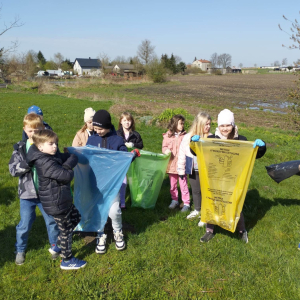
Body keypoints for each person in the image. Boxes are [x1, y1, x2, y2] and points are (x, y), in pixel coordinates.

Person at [191, 109, 266, 243]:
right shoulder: (211, 139)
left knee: (235, 205)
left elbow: (255, 154)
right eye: (222, 125)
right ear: (218, 126)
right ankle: (209, 231)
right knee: (213, 203)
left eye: (228, 125)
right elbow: (197, 152)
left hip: (233, 180)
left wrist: (261, 147)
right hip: (215, 179)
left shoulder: (241, 140)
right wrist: (194, 143)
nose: (225, 129)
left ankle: (242, 230)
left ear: (233, 125)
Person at [27, 129, 87, 270]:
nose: (55, 146)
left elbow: (70, 156)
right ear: (40, 147)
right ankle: (67, 260)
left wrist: (69, 159)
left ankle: (58, 245)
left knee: (76, 218)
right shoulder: (44, 161)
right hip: (56, 203)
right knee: (66, 230)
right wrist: (67, 165)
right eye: (51, 144)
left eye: (56, 143)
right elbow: (66, 175)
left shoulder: (52, 155)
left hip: (62, 199)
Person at [8, 113, 60, 266]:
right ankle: (20, 249)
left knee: (51, 221)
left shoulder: (47, 145)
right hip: (27, 195)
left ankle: (55, 247)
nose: (34, 133)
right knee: (24, 224)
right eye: (30, 130)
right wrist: (27, 163)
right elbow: (12, 170)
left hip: (46, 193)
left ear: (43, 128)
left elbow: (56, 162)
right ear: (25, 130)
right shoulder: (20, 148)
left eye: (37, 129)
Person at [87, 110, 140, 254]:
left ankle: (117, 232)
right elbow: (86, 156)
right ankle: (101, 234)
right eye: (95, 128)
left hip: (112, 183)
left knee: (114, 210)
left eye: (100, 129)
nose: (97, 131)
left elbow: (123, 156)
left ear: (107, 126)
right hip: (96, 184)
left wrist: (131, 156)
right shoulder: (92, 140)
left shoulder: (117, 140)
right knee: (99, 211)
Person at [177, 112, 212, 226]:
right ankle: (197, 209)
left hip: (206, 171)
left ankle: (205, 214)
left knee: (206, 192)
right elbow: (182, 154)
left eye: (209, 124)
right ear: (199, 124)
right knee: (196, 190)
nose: (208, 127)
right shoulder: (188, 137)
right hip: (192, 168)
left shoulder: (210, 137)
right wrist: (181, 170)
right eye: (206, 124)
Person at [162, 114, 190, 212]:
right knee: (172, 185)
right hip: (172, 165)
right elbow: (164, 146)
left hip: (182, 165)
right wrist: (166, 151)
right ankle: (174, 200)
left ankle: (186, 202)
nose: (182, 125)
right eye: (180, 123)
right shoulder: (168, 135)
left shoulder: (185, 136)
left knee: (183, 184)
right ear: (174, 124)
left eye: (183, 124)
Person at [116, 112, 144, 209]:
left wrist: (133, 145)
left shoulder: (135, 135)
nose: (127, 123)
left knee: (134, 181)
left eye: (129, 120)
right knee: (122, 182)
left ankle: (137, 199)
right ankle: (121, 201)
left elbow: (141, 145)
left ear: (132, 122)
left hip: (133, 161)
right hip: (121, 161)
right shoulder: (117, 134)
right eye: (125, 120)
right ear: (121, 121)